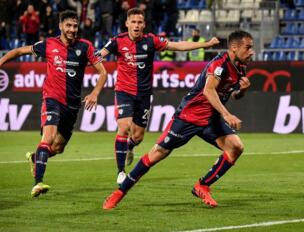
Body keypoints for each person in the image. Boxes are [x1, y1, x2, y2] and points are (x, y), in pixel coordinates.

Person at [102, 30, 254, 209]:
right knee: (157, 154)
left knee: (236, 147)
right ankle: (120, 192)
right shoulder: (219, 64)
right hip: (189, 117)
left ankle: (202, 186)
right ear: (234, 48)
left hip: (210, 119)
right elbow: (208, 90)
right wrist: (227, 114)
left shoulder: (241, 67)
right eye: (248, 47)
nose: (251, 51)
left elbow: (233, 95)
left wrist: (242, 91)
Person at [98, 7, 219, 185]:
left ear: (144, 24)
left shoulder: (151, 41)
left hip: (144, 94)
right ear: (127, 24)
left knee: (138, 137)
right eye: (133, 22)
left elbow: (178, 45)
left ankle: (129, 146)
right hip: (124, 91)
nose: (137, 25)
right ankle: (121, 171)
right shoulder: (117, 41)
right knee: (123, 126)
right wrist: (92, 57)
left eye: (140, 22)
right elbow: (100, 54)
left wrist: (205, 44)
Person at [0, 10, 107, 197]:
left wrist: (95, 93)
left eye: (75, 26)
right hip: (52, 98)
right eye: (68, 25)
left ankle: (36, 157)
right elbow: (18, 51)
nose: (72, 29)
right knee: (47, 139)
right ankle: (38, 182)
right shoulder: (49, 44)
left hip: (72, 105)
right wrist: (1, 61)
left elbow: (103, 72)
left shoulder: (85, 46)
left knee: (57, 148)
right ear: (61, 26)